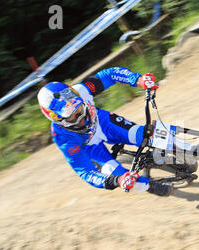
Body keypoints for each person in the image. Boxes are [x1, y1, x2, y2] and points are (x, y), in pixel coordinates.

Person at [37, 66, 173, 196]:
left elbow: (110, 75)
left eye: (78, 109)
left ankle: (182, 145)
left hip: (103, 123)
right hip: (90, 147)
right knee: (120, 176)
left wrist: (137, 80)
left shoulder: (82, 90)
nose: (80, 118)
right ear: (57, 118)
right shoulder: (61, 136)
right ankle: (150, 186)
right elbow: (85, 171)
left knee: (144, 134)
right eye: (71, 116)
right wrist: (118, 181)